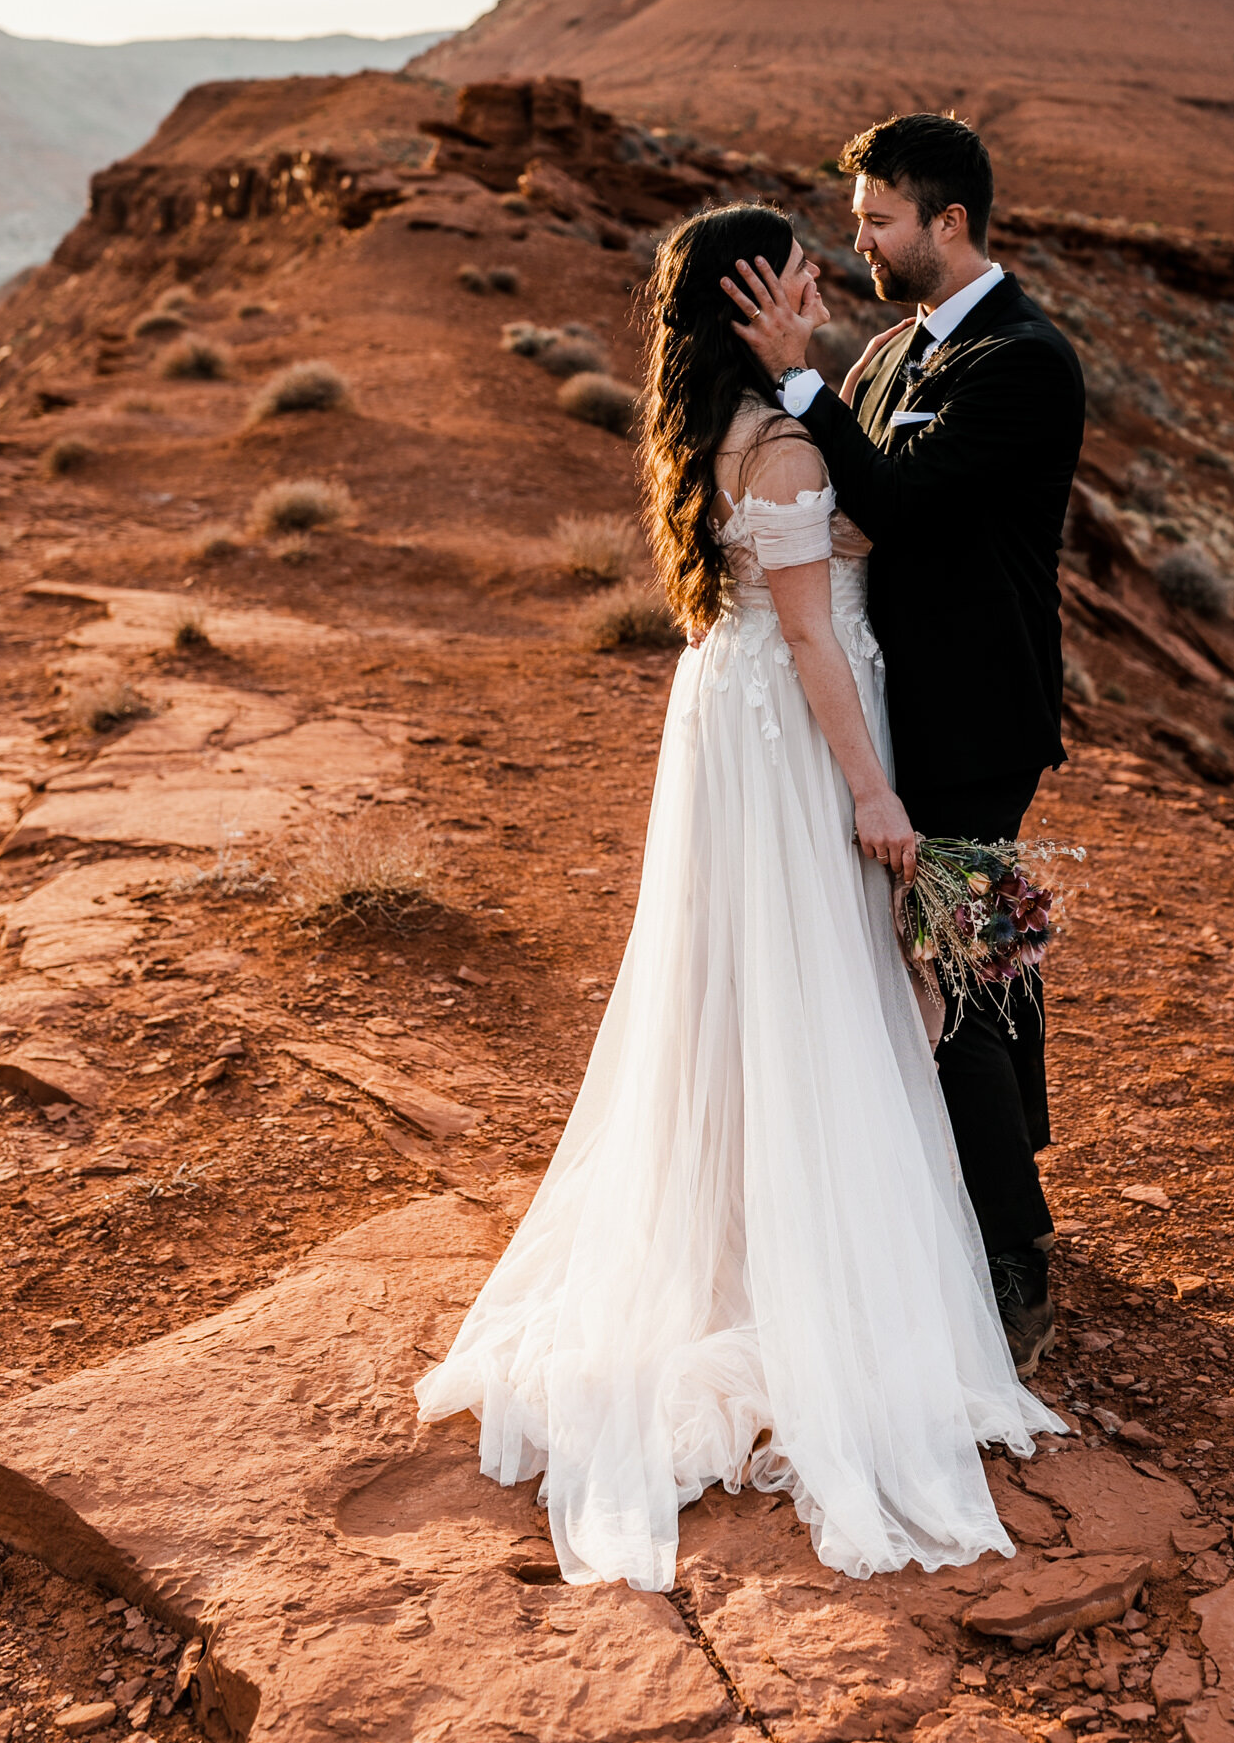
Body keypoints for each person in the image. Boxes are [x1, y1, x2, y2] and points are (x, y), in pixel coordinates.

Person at [415, 201, 1060, 1592]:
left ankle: (763, 1216)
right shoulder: (773, 442)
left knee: (752, 979)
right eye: (798, 267)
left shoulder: (731, 419)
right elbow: (819, 637)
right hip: (794, 729)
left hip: (734, 717)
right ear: (749, 292)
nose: (826, 276)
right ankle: (850, 1256)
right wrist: (874, 796)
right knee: (822, 975)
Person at [724, 115, 1085, 1375]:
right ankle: (1008, 1180)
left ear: (949, 223)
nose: (862, 238)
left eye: (880, 220)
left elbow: (907, 502)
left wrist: (804, 378)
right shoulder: (888, 349)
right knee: (982, 955)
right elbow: (848, 488)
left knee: (953, 966)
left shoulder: (1021, 360)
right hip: (899, 699)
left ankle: (1012, 1266)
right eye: (860, 217)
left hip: (971, 711)